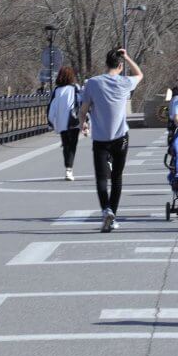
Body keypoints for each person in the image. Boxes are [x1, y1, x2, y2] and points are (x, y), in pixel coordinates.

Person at [79, 49, 143, 233]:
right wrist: (128, 56)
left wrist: (83, 124)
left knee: (101, 178)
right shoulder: (125, 82)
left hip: (100, 138)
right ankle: (112, 214)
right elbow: (140, 74)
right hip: (121, 138)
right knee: (117, 178)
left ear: (105, 64)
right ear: (120, 66)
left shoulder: (92, 83)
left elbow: (83, 109)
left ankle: (106, 210)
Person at [47, 65, 82, 181]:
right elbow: (81, 103)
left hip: (62, 123)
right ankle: (69, 169)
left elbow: (51, 108)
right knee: (72, 146)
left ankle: (68, 168)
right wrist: (85, 120)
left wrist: (52, 122)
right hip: (74, 121)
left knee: (66, 145)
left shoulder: (57, 91)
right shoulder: (75, 88)